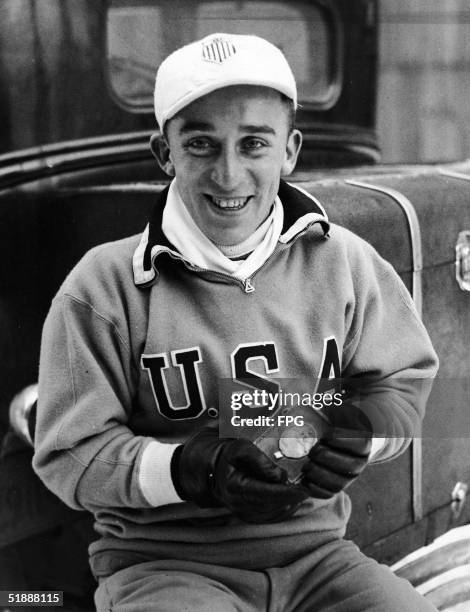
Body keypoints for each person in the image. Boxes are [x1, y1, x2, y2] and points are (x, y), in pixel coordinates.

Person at [33, 33, 439, 611]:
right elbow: (68, 454)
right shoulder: (102, 287)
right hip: (162, 567)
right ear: (164, 152)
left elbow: (406, 382)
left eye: (254, 143)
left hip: (318, 559)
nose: (228, 175)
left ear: (291, 150)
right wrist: (188, 467)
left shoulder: (345, 262)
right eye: (201, 144)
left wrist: (365, 434)